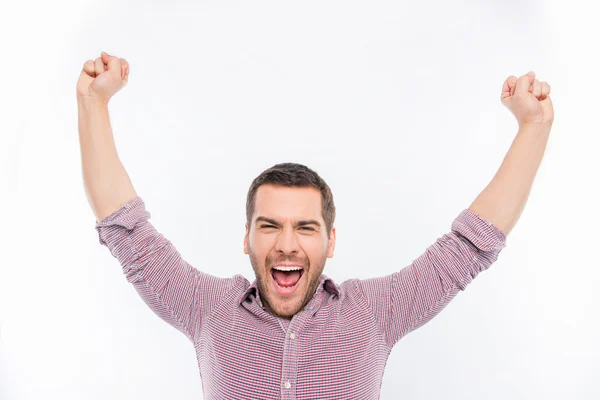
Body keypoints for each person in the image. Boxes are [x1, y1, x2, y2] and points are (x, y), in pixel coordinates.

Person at [77, 51, 554, 399]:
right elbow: (127, 231)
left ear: (331, 240)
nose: (287, 245)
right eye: (269, 226)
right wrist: (93, 103)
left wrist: (534, 127)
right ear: (246, 238)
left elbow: (469, 246)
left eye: (306, 228)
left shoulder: (374, 313)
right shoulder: (208, 309)